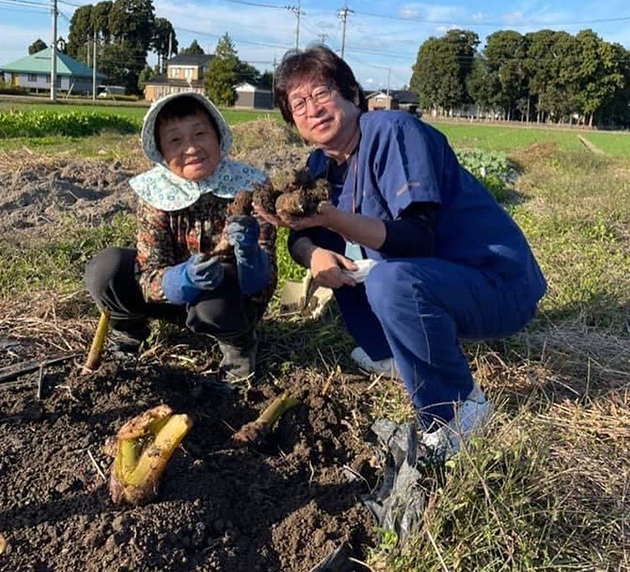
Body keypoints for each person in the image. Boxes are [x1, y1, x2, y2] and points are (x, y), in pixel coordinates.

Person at [263, 45, 546, 458]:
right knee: (347, 263)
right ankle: (391, 353)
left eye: (322, 92)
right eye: (299, 103)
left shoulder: (392, 132)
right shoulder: (320, 165)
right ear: (292, 121)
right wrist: (313, 254)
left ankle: (457, 409)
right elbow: (299, 238)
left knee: (388, 278)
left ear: (351, 94)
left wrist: (331, 218)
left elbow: (417, 238)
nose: (313, 109)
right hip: (439, 281)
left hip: (495, 285)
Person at [84, 91, 277, 381]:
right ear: (161, 152)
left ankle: (238, 344)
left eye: (200, 134)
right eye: (175, 140)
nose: (191, 148)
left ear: (219, 137)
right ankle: (128, 331)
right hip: (171, 297)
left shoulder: (250, 188)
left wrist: (249, 253)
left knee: (219, 292)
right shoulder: (156, 193)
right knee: (106, 268)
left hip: (226, 303)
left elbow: (263, 285)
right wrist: (181, 279)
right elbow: (148, 272)